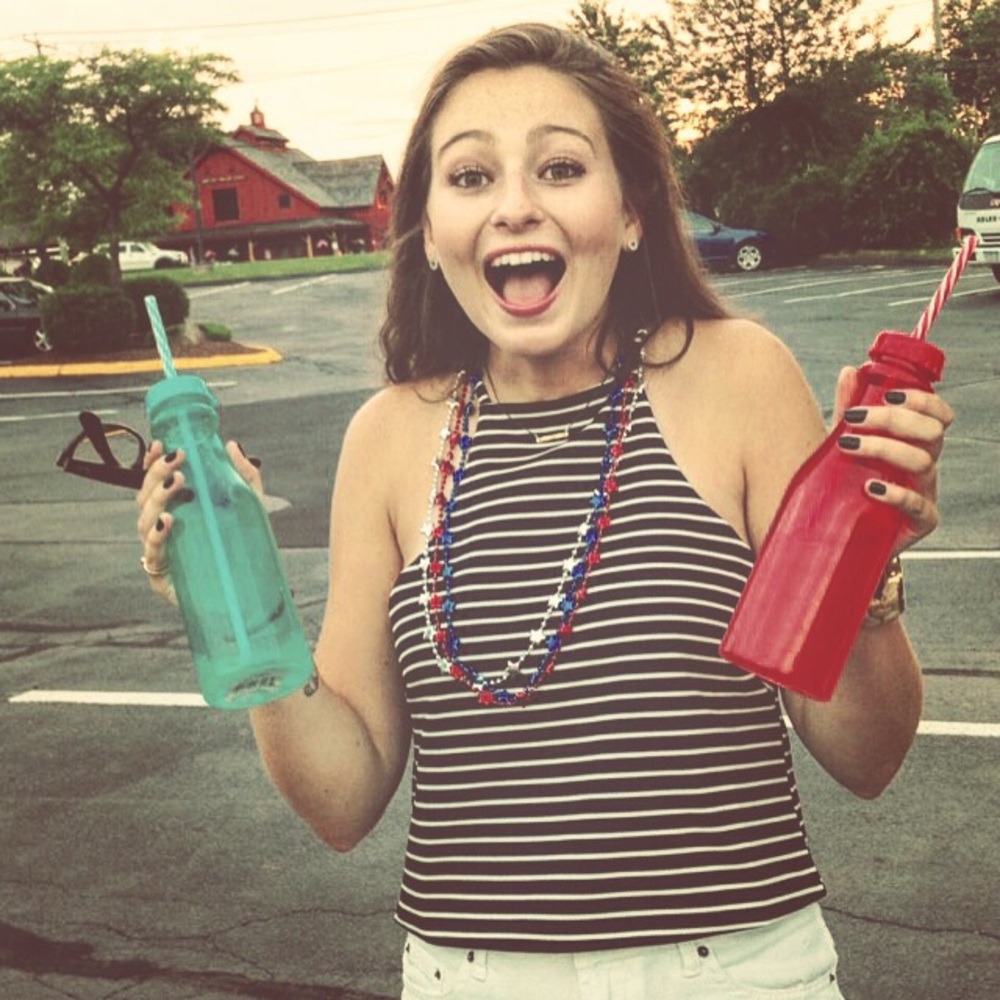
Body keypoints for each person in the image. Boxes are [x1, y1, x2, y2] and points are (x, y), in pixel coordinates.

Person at [136, 23, 953, 999]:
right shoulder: (387, 438)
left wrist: (867, 571)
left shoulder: (739, 375)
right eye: (471, 177)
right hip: (466, 976)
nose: (515, 206)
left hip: (735, 971)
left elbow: (863, 755)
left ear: (633, 211)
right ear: (430, 233)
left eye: (560, 167)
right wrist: (238, 601)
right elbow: (343, 800)